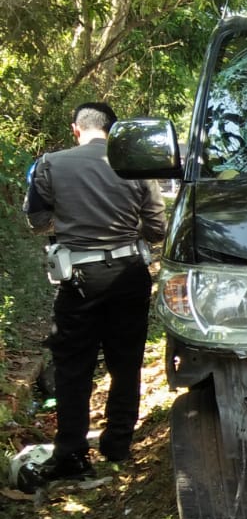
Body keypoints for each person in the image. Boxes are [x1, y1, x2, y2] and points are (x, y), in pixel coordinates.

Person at [23, 102, 166, 481]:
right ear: (113, 131)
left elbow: (36, 220)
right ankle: (118, 443)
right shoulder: (135, 165)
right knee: (126, 360)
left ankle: (71, 454)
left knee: (73, 366)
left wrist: (71, 221)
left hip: (78, 278)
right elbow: (157, 228)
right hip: (129, 274)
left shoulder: (50, 164)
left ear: (76, 129)